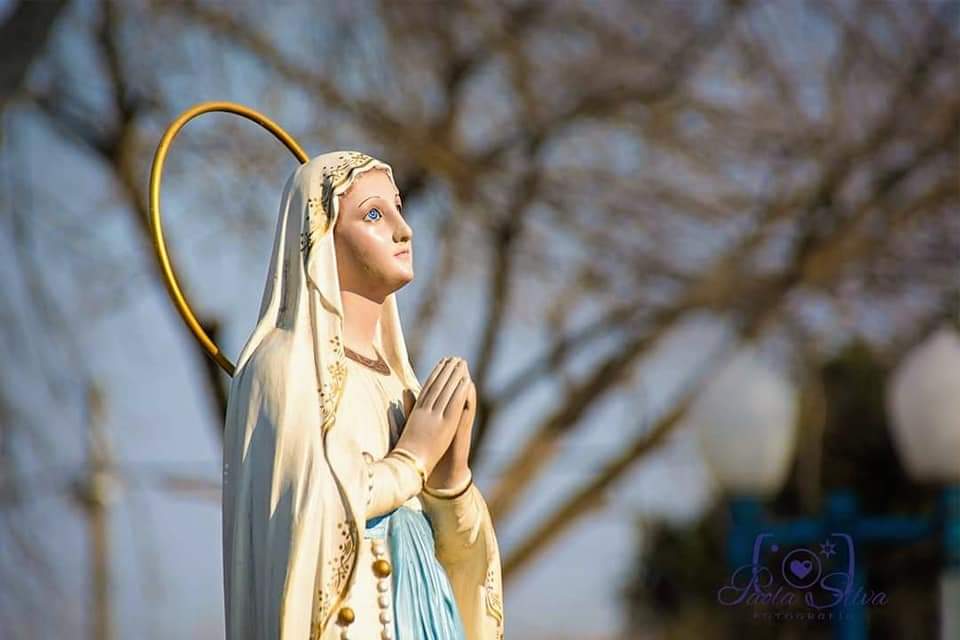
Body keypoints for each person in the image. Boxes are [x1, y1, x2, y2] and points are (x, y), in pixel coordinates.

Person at [221, 151, 504, 640]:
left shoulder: (400, 384)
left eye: (398, 209)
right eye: (374, 214)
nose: (404, 230)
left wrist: (450, 483)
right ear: (321, 236)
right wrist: (411, 461)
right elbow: (304, 517)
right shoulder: (282, 366)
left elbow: (453, 556)